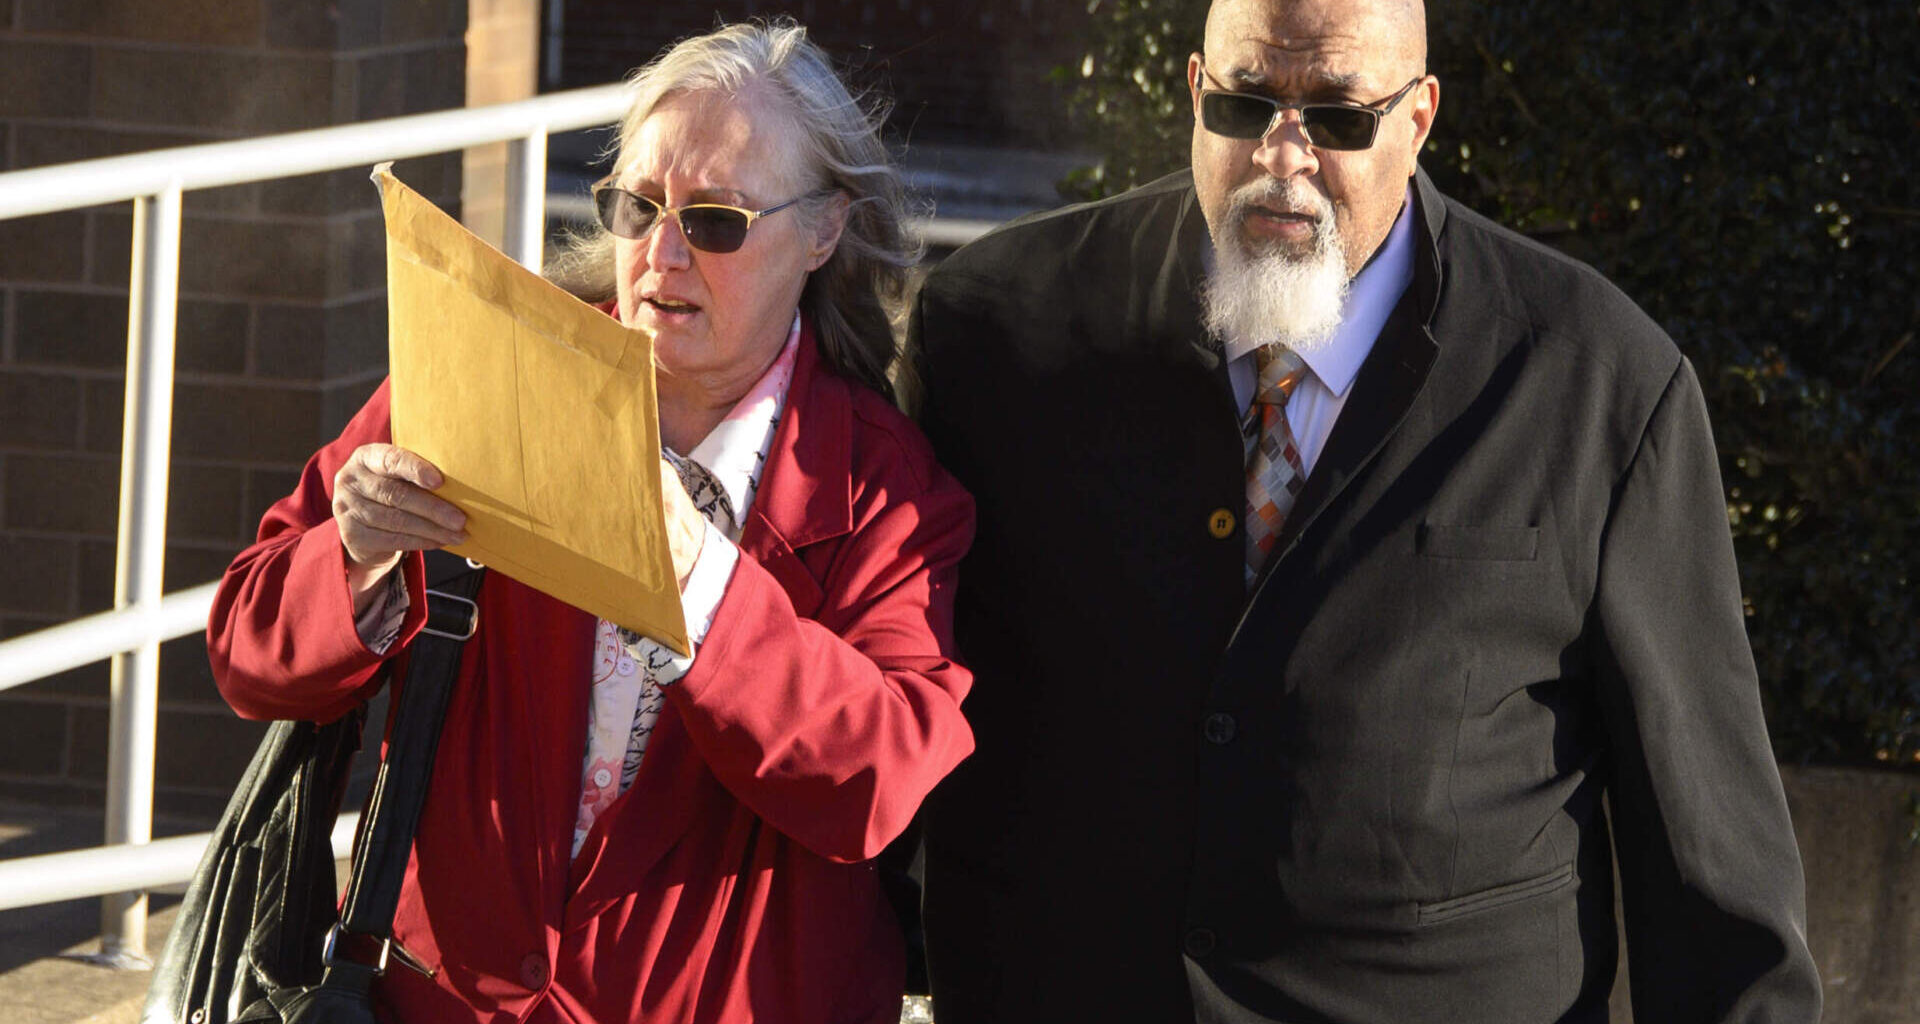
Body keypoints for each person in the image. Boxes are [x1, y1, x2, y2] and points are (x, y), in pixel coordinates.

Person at [908, 0, 1820, 1021]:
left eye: (1339, 117)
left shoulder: (1597, 379)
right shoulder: (993, 331)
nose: (1281, 156)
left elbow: (1713, 878)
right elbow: (893, 708)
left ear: (1419, 119)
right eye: (1247, 103)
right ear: (1196, 92)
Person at [208, 20, 975, 1024]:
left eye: (716, 221)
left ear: (823, 230)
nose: (661, 252)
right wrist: (352, 556)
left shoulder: (884, 483)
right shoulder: (488, 382)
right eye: (636, 205)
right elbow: (247, 653)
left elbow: (875, 781)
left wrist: (701, 580)